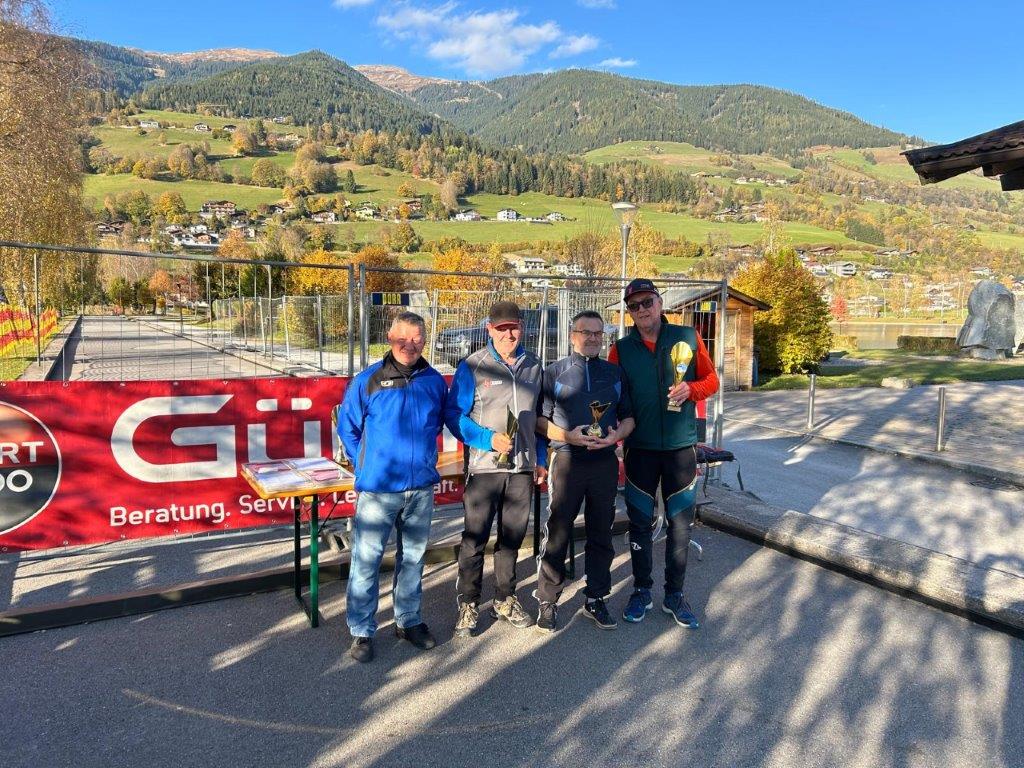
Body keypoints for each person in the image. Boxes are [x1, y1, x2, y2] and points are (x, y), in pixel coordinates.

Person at [337, 311, 448, 663]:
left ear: (424, 341)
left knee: (413, 559)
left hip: (420, 489)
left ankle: (408, 621)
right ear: (389, 337)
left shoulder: (434, 382)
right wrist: (366, 466)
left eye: (417, 338)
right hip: (378, 491)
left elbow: (440, 423)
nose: (409, 344)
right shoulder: (367, 381)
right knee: (366, 561)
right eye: (403, 337)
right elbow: (347, 428)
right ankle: (361, 630)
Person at [609, 279, 719, 629]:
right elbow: (613, 397)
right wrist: (611, 436)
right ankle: (641, 591)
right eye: (634, 305)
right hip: (639, 450)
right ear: (629, 312)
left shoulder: (687, 337)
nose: (642, 309)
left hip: (680, 449)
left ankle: (674, 595)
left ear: (659, 303)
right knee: (639, 524)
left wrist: (692, 389)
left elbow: (713, 380)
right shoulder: (620, 349)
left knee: (681, 526)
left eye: (648, 302)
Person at [445, 300, 547, 637]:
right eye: (501, 329)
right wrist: (488, 439)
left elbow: (539, 420)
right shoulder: (473, 366)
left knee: (511, 539)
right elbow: (454, 417)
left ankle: (505, 599)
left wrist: (540, 458)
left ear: (522, 327)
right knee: (474, 540)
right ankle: (468, 603)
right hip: (485, 469)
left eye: (513, 327)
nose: (508, 334)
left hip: (521, 470)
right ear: (489, 329)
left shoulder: (534, 365)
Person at [535, 310, 634, 632]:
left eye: (597, 333)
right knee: (558, 531)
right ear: (572, 335)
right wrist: (568, 436)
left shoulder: (615, 373)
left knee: (601, 532)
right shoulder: (554, 372)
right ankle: (548, 600)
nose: (592, 338)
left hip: (604, 462)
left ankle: (596, 598)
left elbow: (629, 418)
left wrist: (615, 437)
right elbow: (539, 421)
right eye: (586, 332)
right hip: (567, 461)